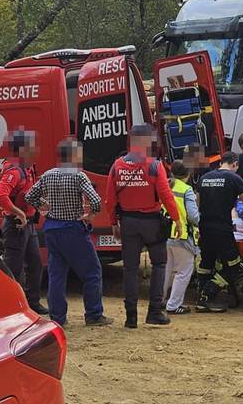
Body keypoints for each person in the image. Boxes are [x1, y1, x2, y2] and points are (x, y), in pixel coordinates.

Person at [25, 138, 112, 327]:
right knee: (92, 272)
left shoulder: (48, 175)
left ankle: (57, 317)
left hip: (52, 229)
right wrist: (90, 215)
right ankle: (94, 314)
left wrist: (44, 206)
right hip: (73, 229)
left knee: (56, 275)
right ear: (74, 156)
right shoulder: (79, 176)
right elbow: (96, 200)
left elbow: (29, 195)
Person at [105, 124, 182, 328]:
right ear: (146, 141)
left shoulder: (117, 166)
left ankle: (131, 317)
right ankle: (154, 311)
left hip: (128, 222)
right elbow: (166, 195)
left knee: (130, 269)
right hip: (152, 222)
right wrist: (177, 220)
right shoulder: (155, 165)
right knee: (159, 264)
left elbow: (110, 199)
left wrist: (113, 222)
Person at [0, 129, 47, 315]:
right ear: (22, 149)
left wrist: (41, 204)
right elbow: (0, 196)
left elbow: (28, 194)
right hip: (16, 226)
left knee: (36, 264)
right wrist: (20, 213)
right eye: (32, 146)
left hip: (29, 226)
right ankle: (10, 307)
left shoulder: (28, 168)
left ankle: (32, 303)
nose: (35, 149)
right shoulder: (15, 171)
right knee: (14, 269)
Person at [196, 151, 243, 313]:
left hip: (205, 227)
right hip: (223, 229)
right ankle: (209, 291)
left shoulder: (204, 178)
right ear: (235, 164)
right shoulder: (235, 178)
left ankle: (202, 299)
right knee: (234, 266)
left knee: (206, 263)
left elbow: (197, 204)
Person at [162, 160, 200, 315]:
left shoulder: (165, 185)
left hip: (165, 234)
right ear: (188, 174)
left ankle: (159, 300)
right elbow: (193, 216)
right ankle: (173, 305)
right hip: (182, 235)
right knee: (183, 272)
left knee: (166, 270)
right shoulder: (186, 189)